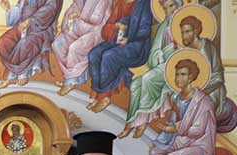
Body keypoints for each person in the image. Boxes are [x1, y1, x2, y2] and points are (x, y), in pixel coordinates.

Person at [145, 56, 217, 155]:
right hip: (180, 144)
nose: (178, 78)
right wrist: (159, 140)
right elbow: (171, 125)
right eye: (177, 74)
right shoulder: (177, 98)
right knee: (155, 153)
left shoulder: (202, 102)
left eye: (183, 74)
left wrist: (175, 128)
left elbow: (198, 130)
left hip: (199, 149)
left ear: (191, 76)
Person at [119, 0, 181, 139]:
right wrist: (158, 54)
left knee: (148, 79)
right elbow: (155, 50)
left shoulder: (184, 22)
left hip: (176, 65)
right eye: (166, 8)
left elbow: (189, 51)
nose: (170, 10)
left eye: (172, 6)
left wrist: (174, 49)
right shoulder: (164, 25)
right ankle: (130, 122)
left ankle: (142, 121)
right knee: (136, 84)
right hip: (162, 64)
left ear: (179, 5)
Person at [87, 0, 152, 113]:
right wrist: (116, 26)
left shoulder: (143, 3)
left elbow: (145, 29)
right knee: (94, 54)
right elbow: (107, 28)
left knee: (109, 56)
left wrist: (129, 39)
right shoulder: (120, 2)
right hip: (116, 41)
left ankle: (104, 96)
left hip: (136, 46)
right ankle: (99, 92)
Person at [177, 11, 237, 132]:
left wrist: (199, 91)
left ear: (196, 31)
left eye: (187, 31)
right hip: (194, 90)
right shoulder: (188, 50)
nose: (184, 36)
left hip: (213, 90)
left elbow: (219, 78)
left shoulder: (208, 48)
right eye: (182, 32)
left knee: (198, 110)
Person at [0, 0, 62, 89]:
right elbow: (21, 8)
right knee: (3, 43)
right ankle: (16, 71)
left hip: (41, 29)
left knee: (24, 44)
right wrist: (8, 9)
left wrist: (31, 20)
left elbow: (50, 9)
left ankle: (18, 75)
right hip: (24, 26)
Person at [52, 0, 112, 96]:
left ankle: (70, 81)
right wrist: (70, 18)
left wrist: (78, 16)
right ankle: (71, 76)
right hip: (79, 26)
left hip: (95, 32)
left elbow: (97, 19)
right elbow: (74, 7)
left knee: (74, 48)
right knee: (58, 44)